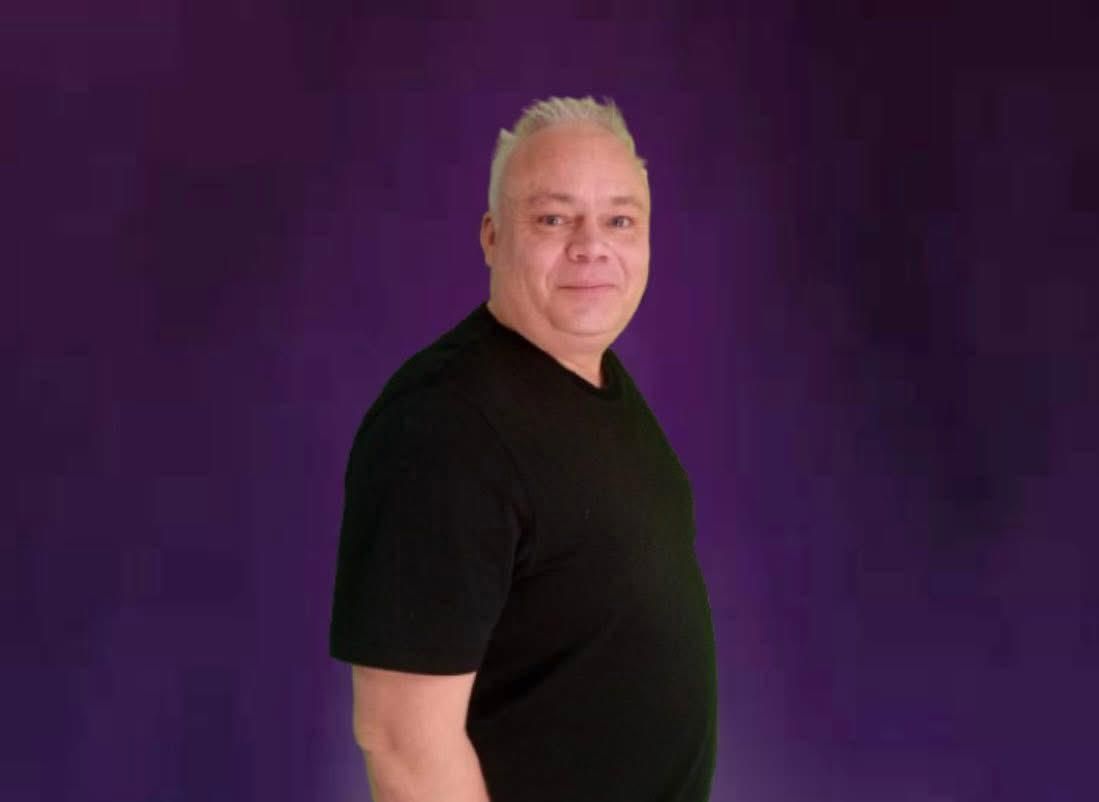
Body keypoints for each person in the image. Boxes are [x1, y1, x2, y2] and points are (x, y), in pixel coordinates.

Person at [329, 95, 718, 802]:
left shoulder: (590, 377)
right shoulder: (444, 425)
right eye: (553, 218)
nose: (591, 246)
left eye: (620, 220)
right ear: (491, 236)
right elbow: (402, 743)